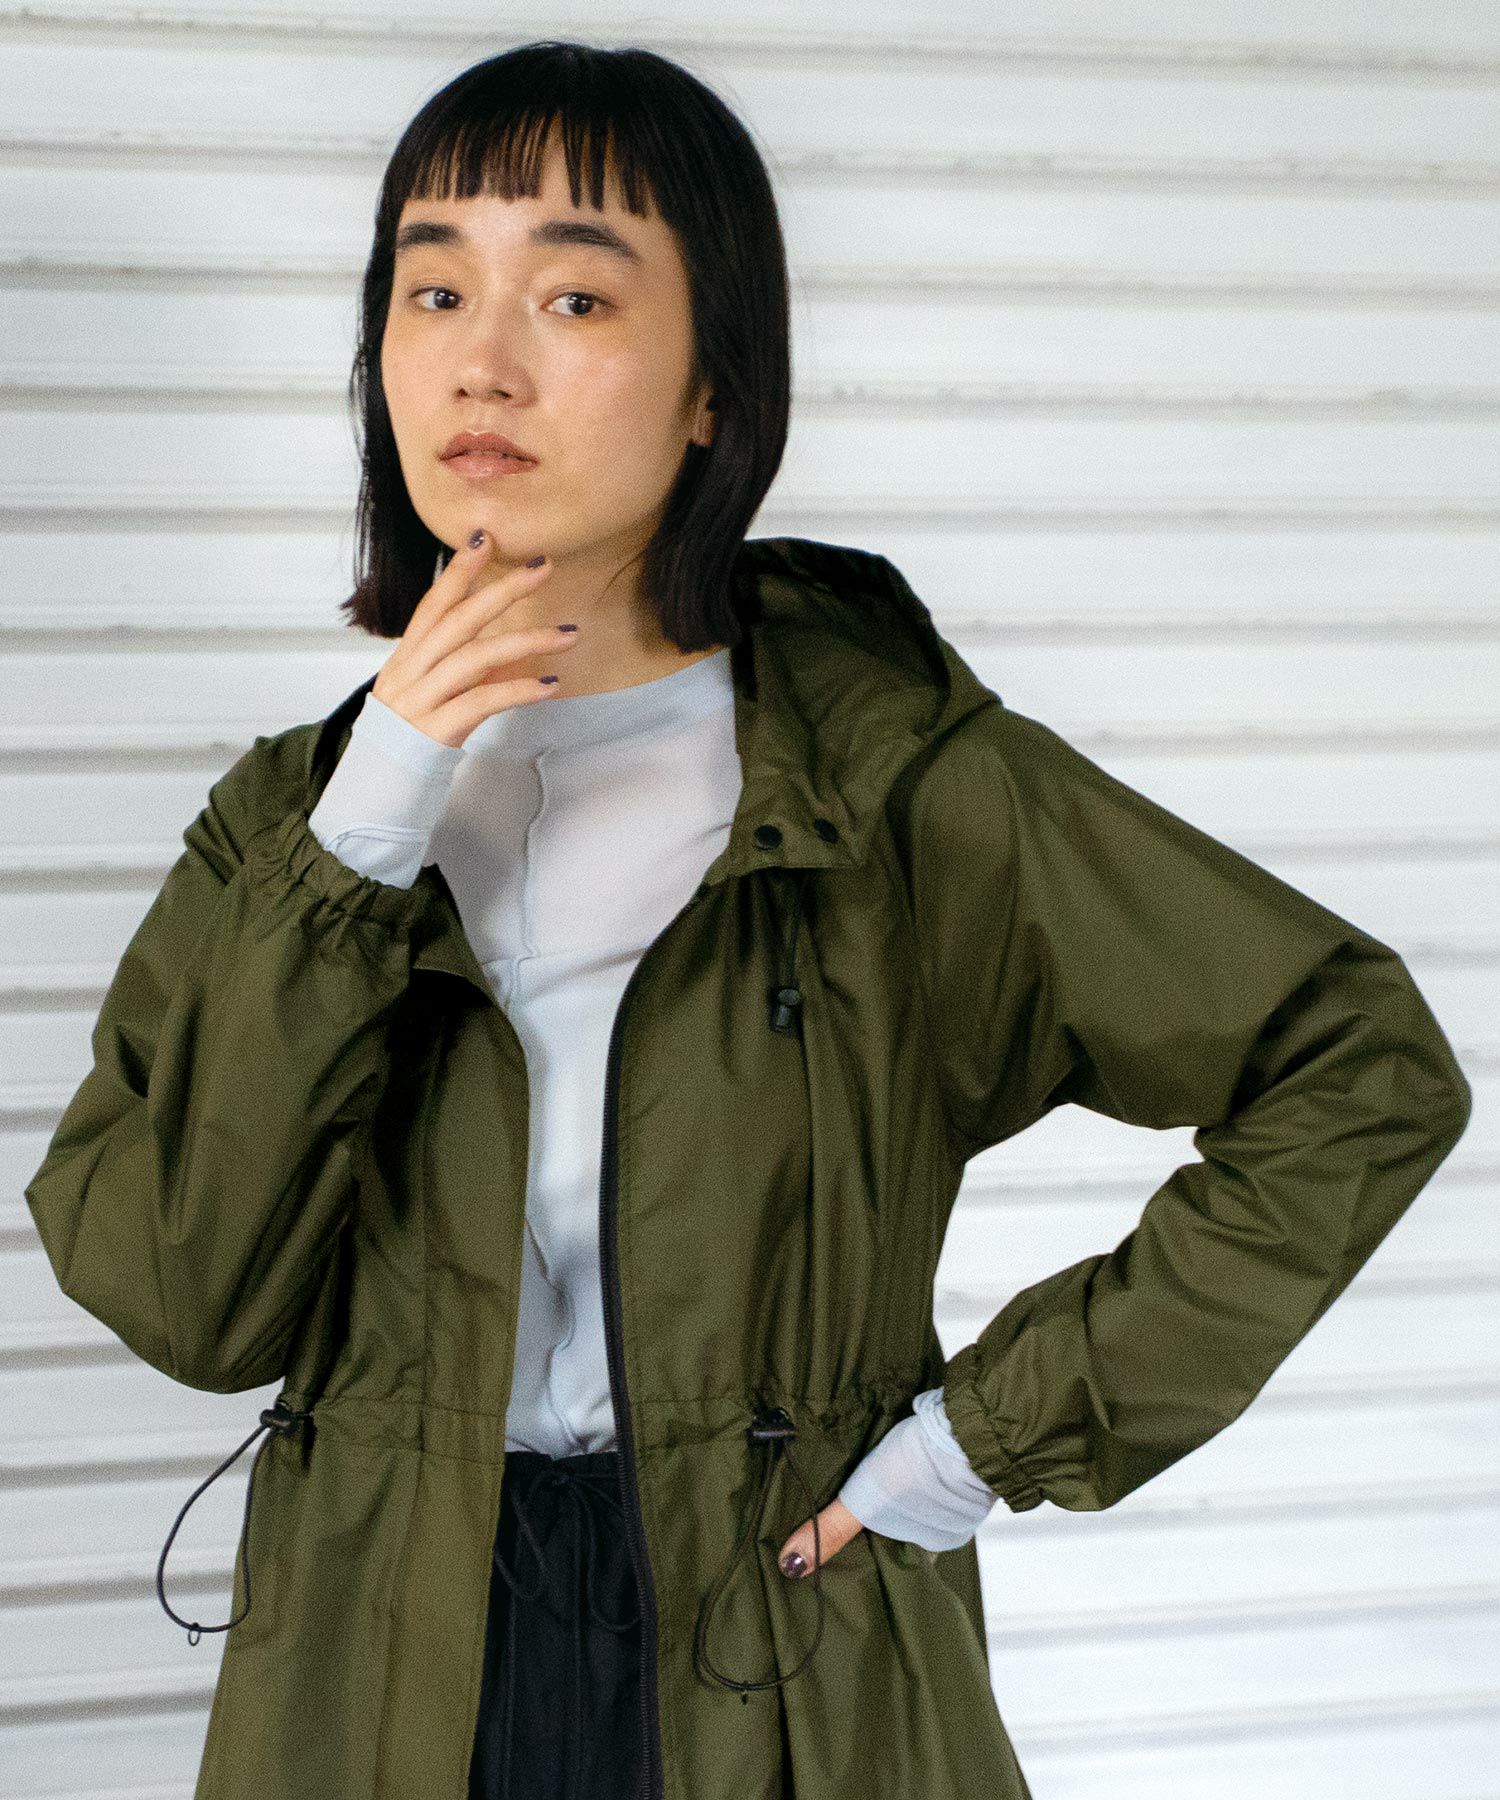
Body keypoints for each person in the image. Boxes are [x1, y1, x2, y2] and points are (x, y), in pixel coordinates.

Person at [23, 39, 1472, 1800]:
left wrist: (984, 1440)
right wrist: (374, 811)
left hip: (782, 1657)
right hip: (375, 1660)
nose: (482, 360)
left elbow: (1354, 1066)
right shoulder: (297, 824)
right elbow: (185, 1299)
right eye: (432, 291)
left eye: (574, 295)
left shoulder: (887, 788)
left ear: (716, 385)